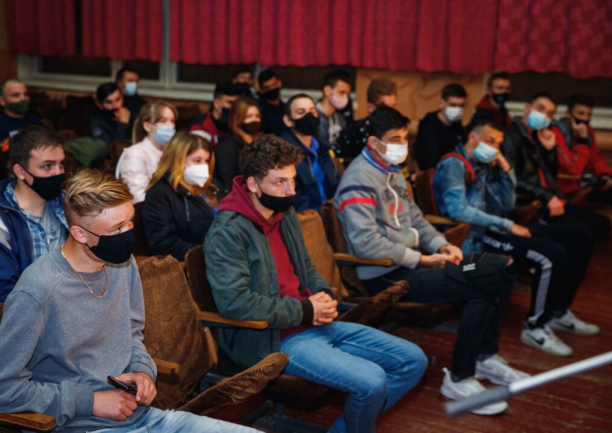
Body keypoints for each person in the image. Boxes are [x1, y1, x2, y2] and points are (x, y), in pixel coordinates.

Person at [0, 169, 257, 433]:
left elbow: (132, 333)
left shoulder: (122, 263)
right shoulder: (39, 290)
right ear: (80, 233)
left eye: (130, 221)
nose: (127, 234)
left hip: (143, 416)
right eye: (116, 228)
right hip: (83, 425)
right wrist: (90, 401)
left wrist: (142, 371)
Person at [204, 135, 428, 432]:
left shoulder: (284, 212)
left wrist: (324, 294)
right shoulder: (228, 232)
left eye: (293, 180)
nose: (290, 190)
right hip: (272, 339)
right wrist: (306, 310)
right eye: (280, 182)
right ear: (253, 184)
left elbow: (306, 268)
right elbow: (235, 303)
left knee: (413, 360)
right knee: (372, 381)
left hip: (312, 321)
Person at [336, 107, 528, 415]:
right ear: (373, 142)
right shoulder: (358, 179)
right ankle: (459, 378)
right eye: (394, 139)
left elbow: (416, 218)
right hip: (389, 274)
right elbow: (366, 243)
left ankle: (484, 356)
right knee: (483, 282)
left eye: (405, 138)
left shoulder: (391, 170)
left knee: (500, 265)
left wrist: (442, 244)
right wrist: (422, 260)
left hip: (417, 262)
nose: (402, 145)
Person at [433, 120, 598, 357]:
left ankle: (558, 311)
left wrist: (506, 169)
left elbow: (508, 203)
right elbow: (458, 211)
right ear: (472, 138)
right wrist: (508, 225)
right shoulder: (454, 165)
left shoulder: (484, 164)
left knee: (582, 237)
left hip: (498, 227)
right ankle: (535, 327)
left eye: (498, 144)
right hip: (478, 237)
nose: (494, 148)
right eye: (490, 141)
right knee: (550, 256)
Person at [0, 126, 67, 314]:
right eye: (47, 166)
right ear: (20, 171)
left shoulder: (67, 203)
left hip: (65, 307)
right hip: (11, 321)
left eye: (61, 164)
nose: (58, 172)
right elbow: (2, 294)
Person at [503, 92, 610, 238]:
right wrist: (582, 141)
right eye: (540, 109)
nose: (544, 116)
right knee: (585, 234)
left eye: (549, 113)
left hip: (552, 196)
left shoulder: (540, 134)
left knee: (601, 224)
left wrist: (549, 150)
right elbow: (512, 178)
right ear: (527, 108)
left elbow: (549, 175)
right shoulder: (510, 135)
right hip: (533, 202)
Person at [143, 132, 219, 261]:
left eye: (207, 161)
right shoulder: (159, 194)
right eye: (197, 161)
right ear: (177, 160)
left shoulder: (211, 187)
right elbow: (164, 244)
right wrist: (209, 253)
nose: (204, 167)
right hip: (195, 264)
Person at [281, 94, 340, 212]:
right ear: (288, 120)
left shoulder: (322, 147)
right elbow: (296, 200)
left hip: (331, 210)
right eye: (301, 112)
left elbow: (336, 181)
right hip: (309, 216)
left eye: (312, 111)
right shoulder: (284, 153)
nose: (309, 116)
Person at [553, 93, 612, 204]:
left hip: (587, 182)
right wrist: (582, 141)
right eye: (580, 113)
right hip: (567, 188)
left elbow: (595, 157)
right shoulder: (556, 132)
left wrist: (605, 174)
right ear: (568, 114)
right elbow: (573, 168)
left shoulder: (588, 131)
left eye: (589, 114)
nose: (585, 118)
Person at [115, 101, 177, 204]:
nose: (170, 125)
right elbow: (137, 197)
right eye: (163, 121)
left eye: (172, 121)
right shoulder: (135, 154)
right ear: (147, 126)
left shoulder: (172, 151)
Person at [335, 78, 398, 161]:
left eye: (393, 106)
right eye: (384, 108)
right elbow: (338, 162)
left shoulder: (398, 130)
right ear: (370, 107)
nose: (390, 112)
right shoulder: (354, 131)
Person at [0, 79, 44, 158]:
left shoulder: (36, 121)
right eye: (16, 95)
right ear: (2, 101)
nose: (23, 99)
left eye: (25, 94)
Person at [214, 96, 263, 191]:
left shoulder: (261, 141)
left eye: (257, 116)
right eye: (249, 116)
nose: (254, 120)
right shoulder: (227, 144)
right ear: (238, 118)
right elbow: (228, 178)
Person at [416, 84, 468, 170]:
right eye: (453, 105)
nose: (457, 110)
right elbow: (429, 161)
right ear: (441, 104)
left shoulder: (457, 124)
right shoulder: (429, 125)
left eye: (461, 106)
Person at [190, 82, 243, 148]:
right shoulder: (200, 126)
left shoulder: (239, 124)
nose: (234, 107)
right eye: (230, 103)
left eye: (237, 103)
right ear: (216, 103)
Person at [316, 70, 352, 150]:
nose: (345, 97)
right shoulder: (314, 117)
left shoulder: (340, 119)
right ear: (327, 91)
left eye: (347, 94)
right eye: (342, 92)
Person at [256, 69, 287, 136]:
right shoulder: (259, 110)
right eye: (267, 88)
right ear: (262, 89)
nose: (272, 89)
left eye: (274, 85)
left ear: (279, 83)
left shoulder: (286, 107)